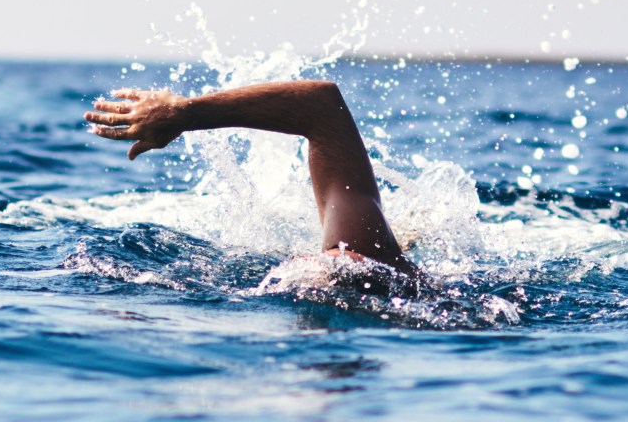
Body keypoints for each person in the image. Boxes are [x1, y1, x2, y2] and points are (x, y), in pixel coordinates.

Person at [84, 80, 421, 281]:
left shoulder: (366, 260)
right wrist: (183, 113)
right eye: (329, 265)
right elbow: (321, 105)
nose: (311, 266)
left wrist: (184, 114)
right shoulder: (364, 251)